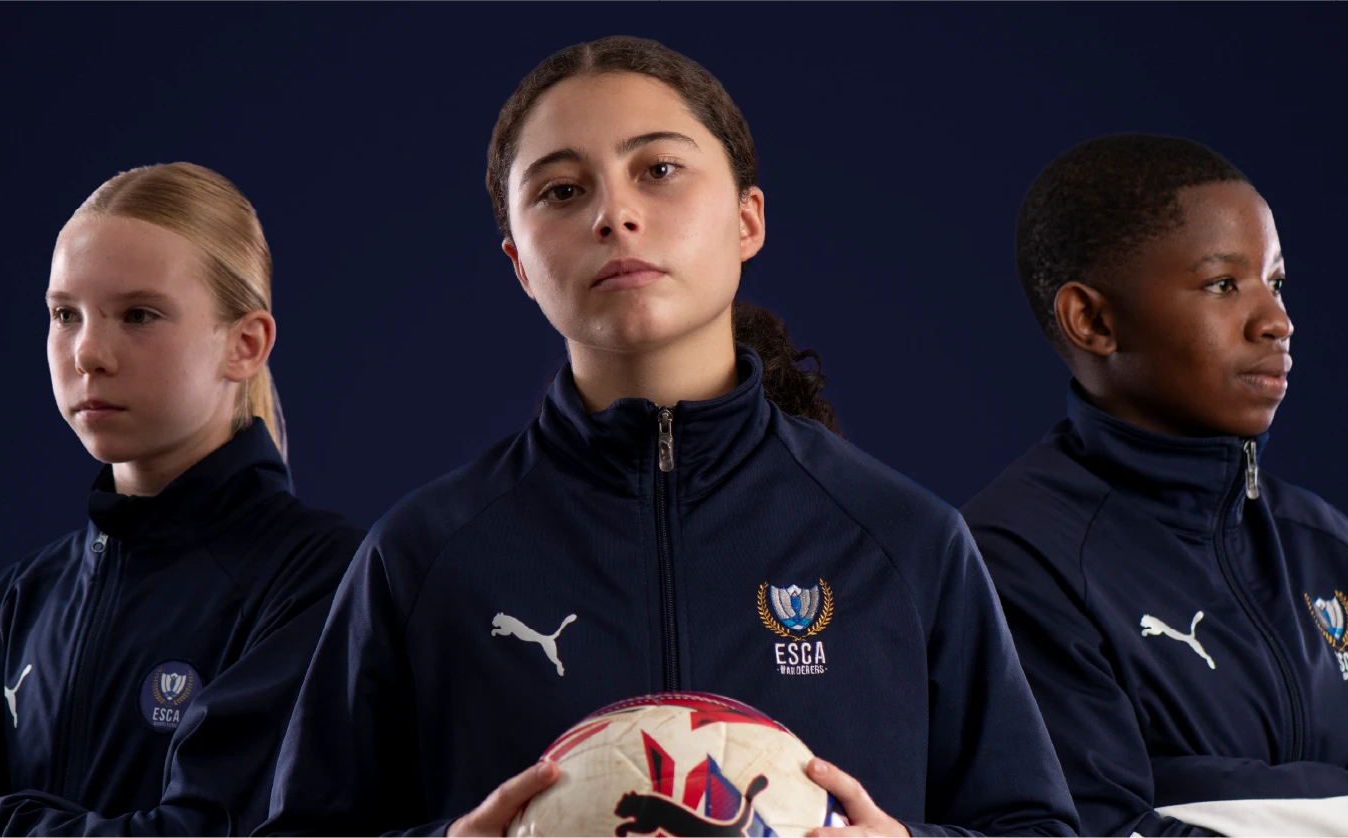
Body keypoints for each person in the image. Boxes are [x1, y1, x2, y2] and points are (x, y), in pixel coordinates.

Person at [257, 36, 1077, 838]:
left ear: (748, 220)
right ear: (519, 263)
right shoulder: (420, 556)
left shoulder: (907, 540)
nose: (614, 215)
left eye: (658, 170)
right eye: (562, 191)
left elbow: (1034, 825)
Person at [962, 134, 1348, 838]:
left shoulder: (1324, 545)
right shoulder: (1014, 558)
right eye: (1224, 284)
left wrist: (1203, 796)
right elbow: (1101, 829)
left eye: (1275, 282)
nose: (1277, 322)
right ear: (1093, 320)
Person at [0, 162, 364, 838]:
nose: (87, 353)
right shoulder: (22, 601)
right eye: (64, 314)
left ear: (245, 344)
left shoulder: (321, 580)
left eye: (138, 315)